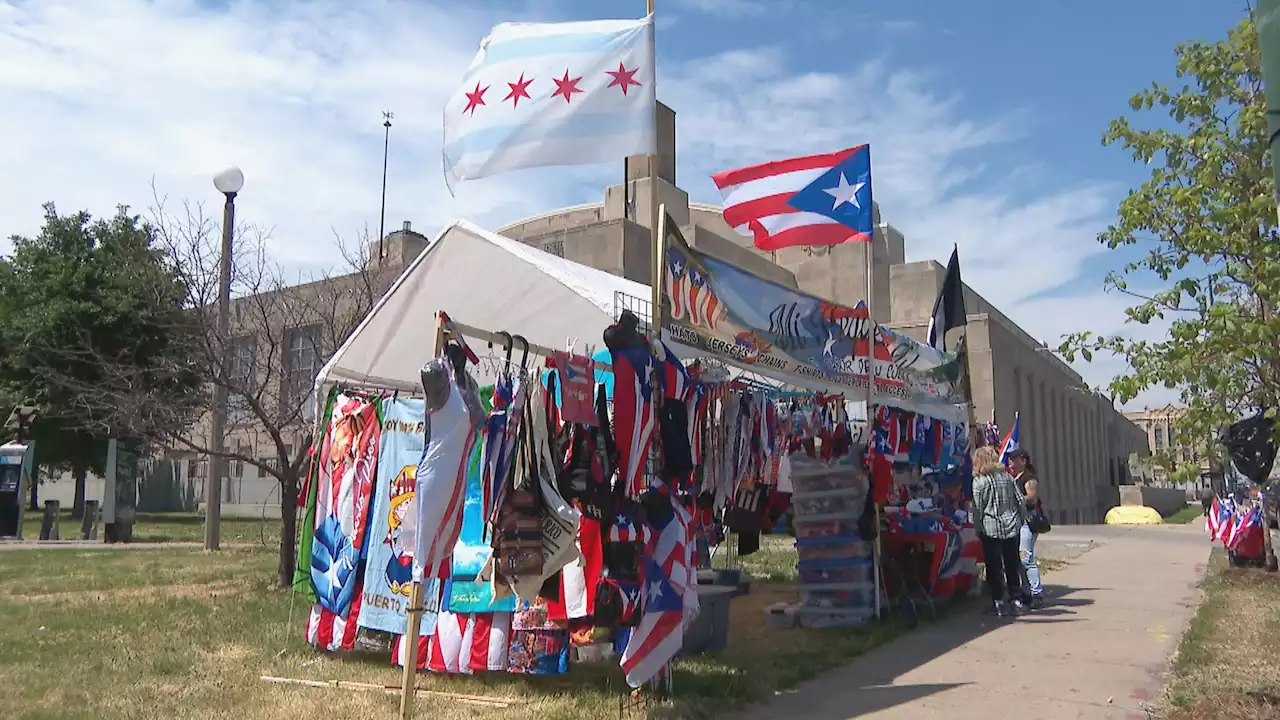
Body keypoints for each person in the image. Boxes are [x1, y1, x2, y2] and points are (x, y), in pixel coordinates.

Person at [971, 445, 1030, 616]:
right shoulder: (1007, 477)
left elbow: (977, 509)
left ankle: (997, 602)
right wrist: (1021, 519)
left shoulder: (979, 481)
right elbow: (1020, 501)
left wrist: (977, 527)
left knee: (994, 567)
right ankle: (1016, 600)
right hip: (1011, 526)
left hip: (990, 529)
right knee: (1012, 565)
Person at [1007, 448, 1045, 608]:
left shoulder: (1029, 479)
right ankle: (1026, 591)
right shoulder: (1016, 478)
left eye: (1013, 460)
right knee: (1019, 560)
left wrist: (1015, 499)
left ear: (1023, 460)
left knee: (1025, 557)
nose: (1010, 464)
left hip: (1028, 523)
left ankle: (1037, 593)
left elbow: (1032, 498)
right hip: (1018, 522)